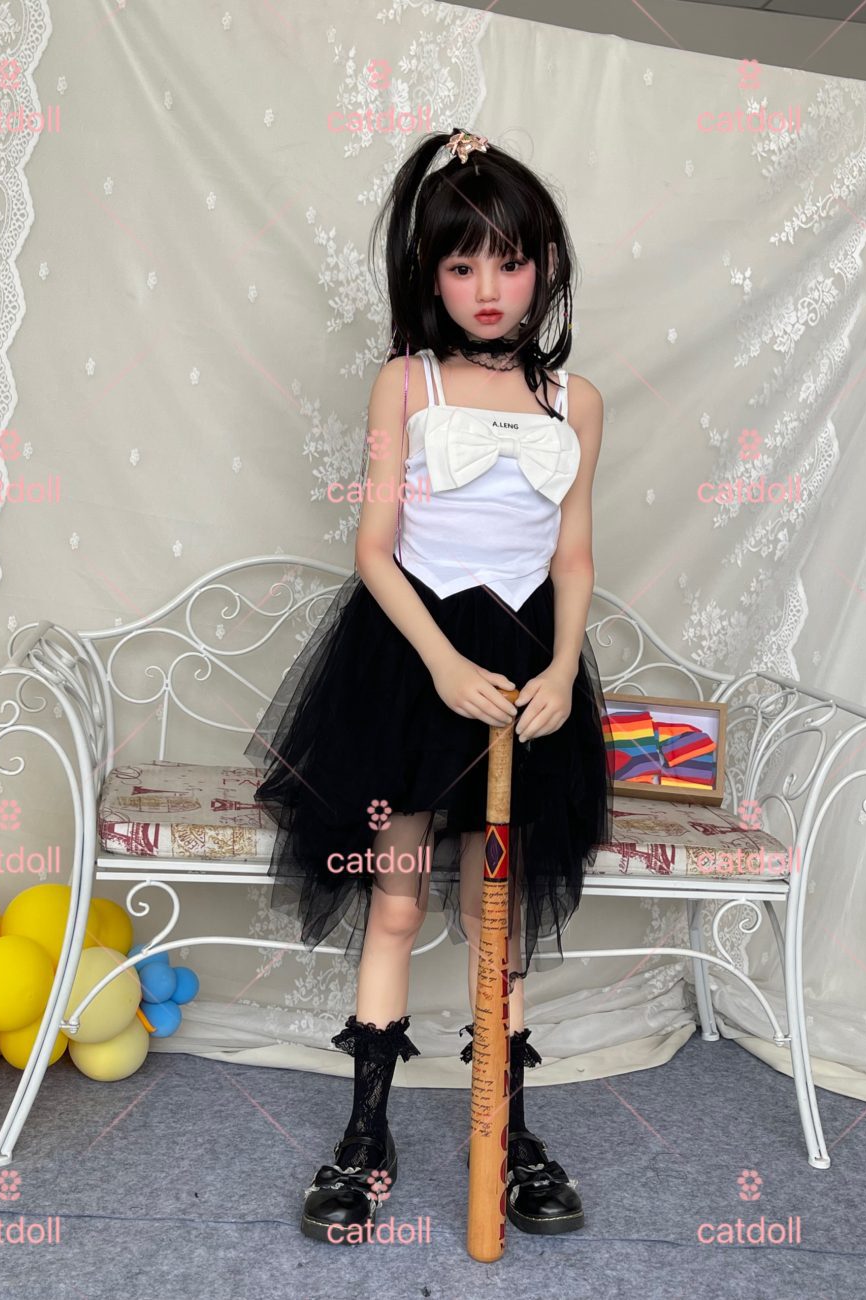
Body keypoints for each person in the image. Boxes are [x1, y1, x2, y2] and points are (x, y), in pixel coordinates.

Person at [244, 127, 614, 1245]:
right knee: (397, 898)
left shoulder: (576, 402)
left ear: (546, 264)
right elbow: (374, 547)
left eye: (509, 261)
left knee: (498, 910)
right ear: (428, 274)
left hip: (525, 675)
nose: (487, 288)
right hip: (413, 669)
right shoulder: (405, 383)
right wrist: (441, 664)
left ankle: (506, 1126)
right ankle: (367, 1133)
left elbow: (573, 555)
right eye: (461, 265)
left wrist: (560, 668)